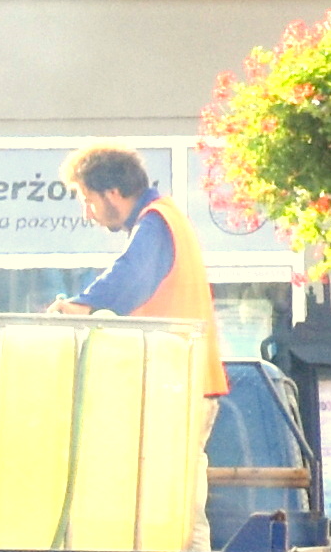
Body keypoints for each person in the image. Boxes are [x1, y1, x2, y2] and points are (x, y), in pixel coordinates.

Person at [56, 147, 229, 397]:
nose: (87, 214)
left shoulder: (156, 220)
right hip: (183, 378)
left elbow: (130, 274)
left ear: (112, 193)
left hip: (174, 384)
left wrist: (85, 305)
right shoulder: (166, 215)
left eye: (89, 201)